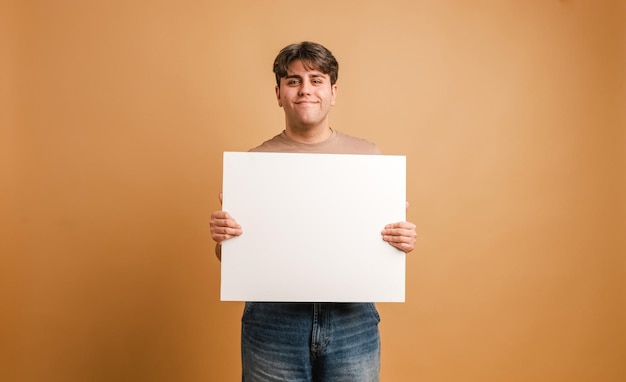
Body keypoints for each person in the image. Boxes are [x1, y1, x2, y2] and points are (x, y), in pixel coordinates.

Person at [210, 41, 417, 382]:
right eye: (293, 81)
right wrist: (224, 238)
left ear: (333, 92)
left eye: (316, 80)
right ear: (279, 93)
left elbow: (384, 242)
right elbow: (230, 256)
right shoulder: (254, 163)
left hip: (352, 319)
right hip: (273, 321)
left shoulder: (368, 157)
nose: (305, 89)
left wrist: (402, 239)